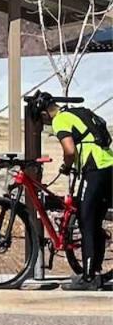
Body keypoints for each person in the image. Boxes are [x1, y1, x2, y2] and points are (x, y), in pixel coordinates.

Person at [31, 91, 113, 291]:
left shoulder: (60, 121)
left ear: (44, 115)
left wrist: (67, 167)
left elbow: (69, 150)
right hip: (109, 164)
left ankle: (88, 278)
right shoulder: (74, 113)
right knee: (94, 220)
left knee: (86, 221)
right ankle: (95, 271)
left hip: (94, 169)